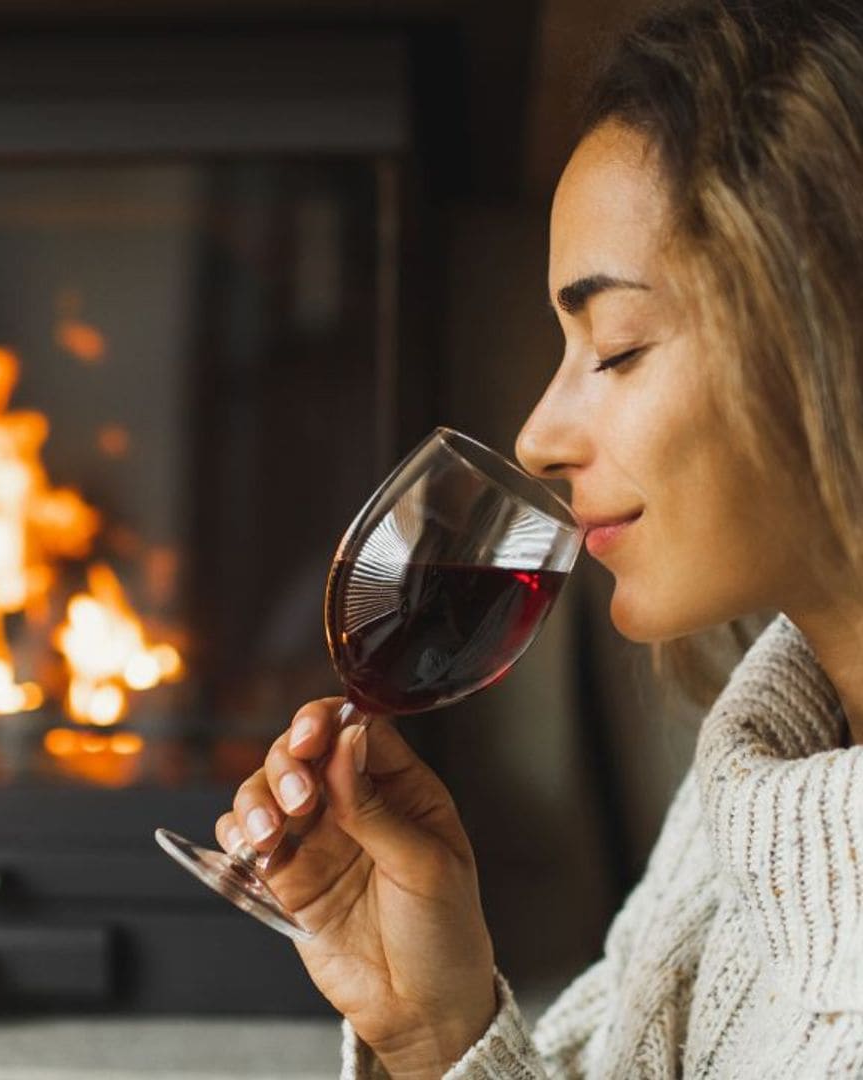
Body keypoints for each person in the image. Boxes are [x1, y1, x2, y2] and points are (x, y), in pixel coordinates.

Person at [214, 0, 863, 1075]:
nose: (538, 435)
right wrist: (437, 1025)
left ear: (831, 332)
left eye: (614, 347)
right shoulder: (754, 777)